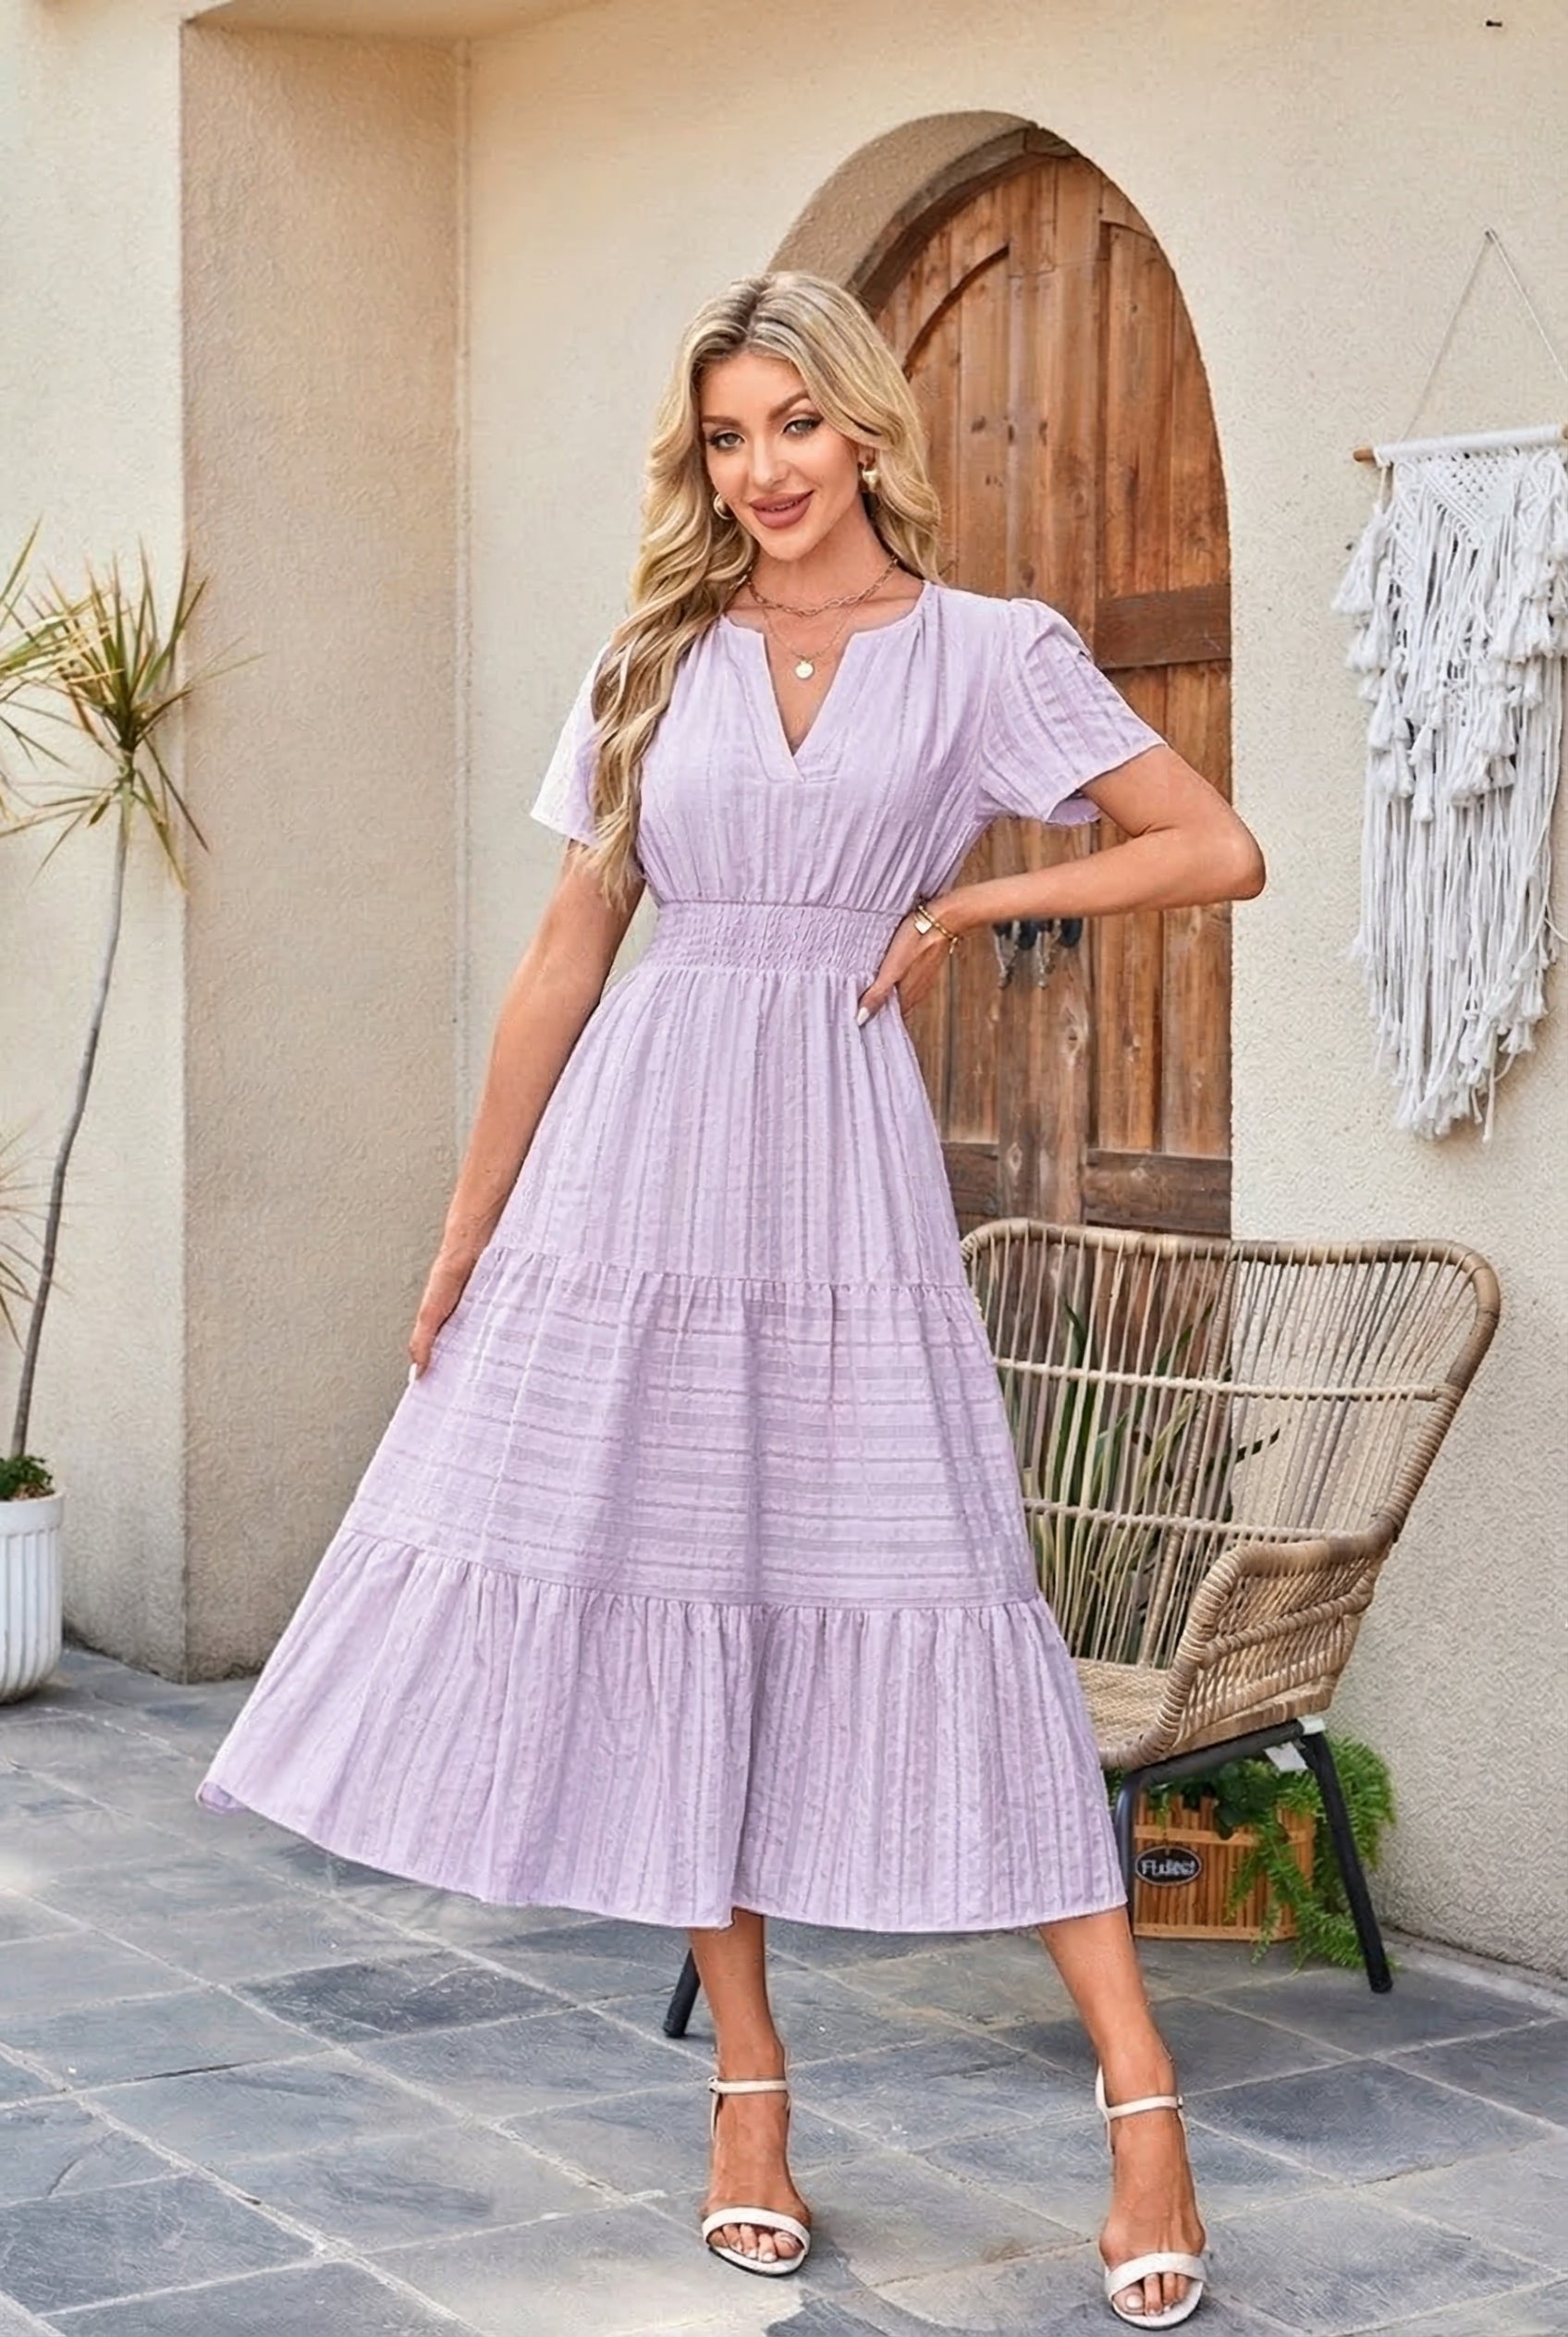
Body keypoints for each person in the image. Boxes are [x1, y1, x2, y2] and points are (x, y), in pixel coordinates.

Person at [198, 268, 1264, 2329]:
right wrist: (463, 1225)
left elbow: (1206, 847)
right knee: (694, 1596)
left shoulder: (981, 655)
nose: (761, 468)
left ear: (862, 427)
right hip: (638, 1169)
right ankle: (749, 2097)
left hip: (843, 1182)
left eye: (791, 422)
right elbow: (563, 958)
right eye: (724, 437)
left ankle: (1139, 2096)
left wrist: (970, 891)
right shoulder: (647, 660)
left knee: (948, 1583)